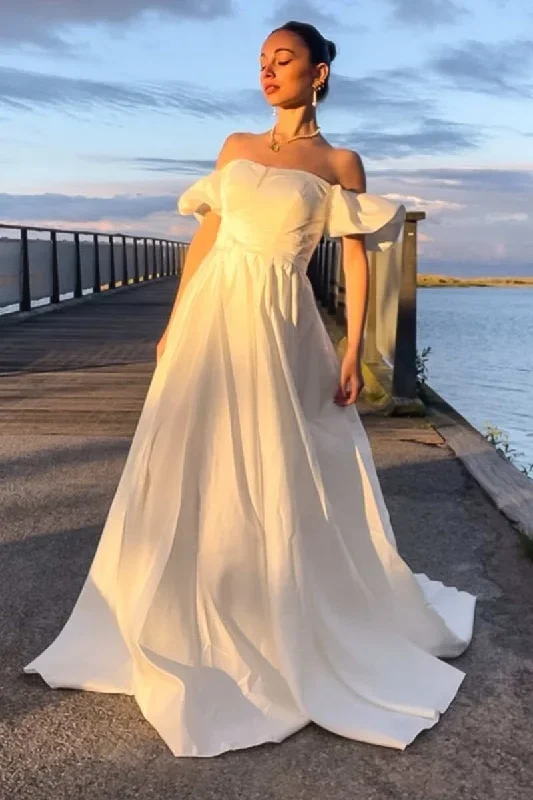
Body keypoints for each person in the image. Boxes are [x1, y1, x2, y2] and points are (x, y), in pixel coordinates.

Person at [23, 20, 476, 758]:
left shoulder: (337, 161)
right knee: (187, 451)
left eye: (284, 59)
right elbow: (205, 236)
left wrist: (352, 346)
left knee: (276, 455)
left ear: (317, 72)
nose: (267, 72)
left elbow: (354, 259)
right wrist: (173, 323)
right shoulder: (234, 148)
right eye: (262, 61)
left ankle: (276, 609)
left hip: (279, 321)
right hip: (212, 317)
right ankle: (173, 604)